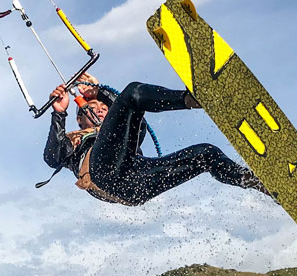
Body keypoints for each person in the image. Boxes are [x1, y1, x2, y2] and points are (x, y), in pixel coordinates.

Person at [42, 74, 269, 205]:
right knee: (131, 93)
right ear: (80, 119)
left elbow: (130, 120)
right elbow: (52, 157)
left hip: (136, 183)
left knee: (206, 154)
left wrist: (99, 92)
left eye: (105, 108)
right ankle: (195, 99)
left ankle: (258, 183)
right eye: (94, 108)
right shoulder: (74, 139)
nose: (102, 111)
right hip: (103, 176)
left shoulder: (121, 134)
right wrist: (58, 113)